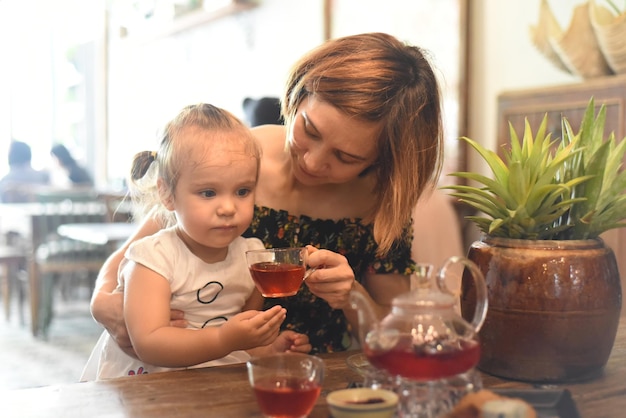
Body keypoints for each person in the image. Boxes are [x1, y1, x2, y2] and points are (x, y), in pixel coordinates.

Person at [90, 32, 444, 358]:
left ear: (380, 161)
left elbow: (394, 336)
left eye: (345, 158)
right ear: (299, 93)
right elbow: (134, 256)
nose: (312, 161)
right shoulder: (237, 158)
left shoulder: (380, 204)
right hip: (200, 367)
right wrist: (102, 302)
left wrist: (352, 296)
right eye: (310, 130)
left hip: (314, 376)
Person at [83, 103, 310, 380]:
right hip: (150, 385)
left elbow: (241, 338)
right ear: (167, 194)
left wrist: (268, 346)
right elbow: (149, 344)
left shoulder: (252, 255)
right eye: (208, 192)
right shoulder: (153, 259)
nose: (228, 207)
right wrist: (224, 338)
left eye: (242, 191)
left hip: (211, 382)